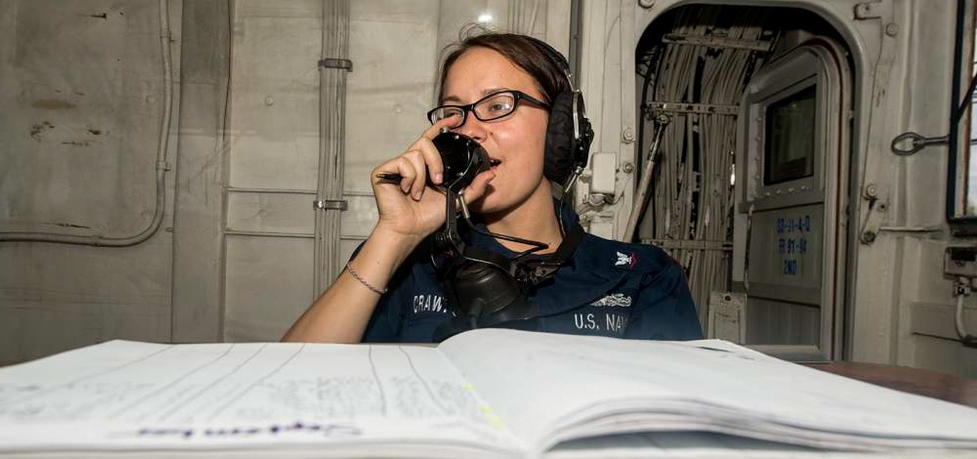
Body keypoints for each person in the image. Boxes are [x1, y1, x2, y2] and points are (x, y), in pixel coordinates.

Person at [283, 31, 703, 343]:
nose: (471, 131)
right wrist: (395, 235)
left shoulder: (643, 277)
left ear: (561, 131)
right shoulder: (407, 263)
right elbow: (287, 386)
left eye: (498, 106)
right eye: (454, 112)